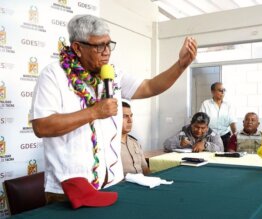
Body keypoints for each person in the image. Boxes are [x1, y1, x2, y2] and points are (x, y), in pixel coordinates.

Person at [30, 14, 197, 203]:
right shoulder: (54, 75)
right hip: (68, 193)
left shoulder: (112, 74)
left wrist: (181, 65)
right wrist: (94, 112)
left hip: (112, 185)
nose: (107, 52)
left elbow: (149, 87)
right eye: (99, 46)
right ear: (78, 47)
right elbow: (41, 126)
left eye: (109, 44)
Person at [199, 82, 237, 151]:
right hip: (210, 137)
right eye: (220, 90)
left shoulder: (228, 105)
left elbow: (232, 121)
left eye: (224, 90)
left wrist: (236, 136)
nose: (222, 92)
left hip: (225, 136)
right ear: (212, 91)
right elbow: (201, 121)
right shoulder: (206, 104)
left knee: (225, 158)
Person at [121, 101, 150, 175]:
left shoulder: (135, 143)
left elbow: (145, 169)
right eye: (125, 116)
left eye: (131, 116)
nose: (130, 120)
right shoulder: (110, 146)